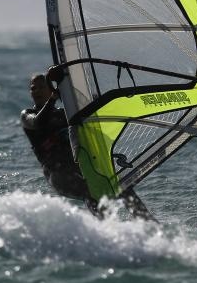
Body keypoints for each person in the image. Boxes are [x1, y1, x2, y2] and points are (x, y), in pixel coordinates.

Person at [20, 72, 155, 221]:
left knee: (122, 188)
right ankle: (108, 230)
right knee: (89, 190)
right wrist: (52, 100)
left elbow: (92, 126)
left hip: (81, 168)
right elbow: (38, 123)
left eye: (41, 87)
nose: (36, 91)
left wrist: (98, 101)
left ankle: (150, 224)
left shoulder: (66, 115)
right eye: (33, 88)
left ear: (51, 89)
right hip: (58, 175)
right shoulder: (27, 115)